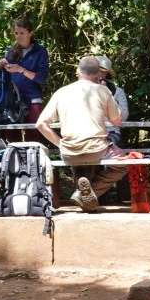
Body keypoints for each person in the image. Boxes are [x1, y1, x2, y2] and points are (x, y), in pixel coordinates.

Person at [36, 56, 123, 212]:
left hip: (69, 152)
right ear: (98, 74)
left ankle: (84, 195)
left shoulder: (62, 92)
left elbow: (40, 124)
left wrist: (60, 144)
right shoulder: (103, 90)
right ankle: (86, 193)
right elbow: (116, 121)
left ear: (77, 72)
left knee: (80, 163)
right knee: (123, 164)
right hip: (97, 150)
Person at [0, 16, 49, 142]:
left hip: (32, 98)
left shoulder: (40, 51)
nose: (18, 36)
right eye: (16, 33)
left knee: (33, 134)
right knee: (12, 135)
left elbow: (40, 79)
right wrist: (0, 66)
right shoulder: (11, 51)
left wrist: (21, 70)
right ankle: (15, 155)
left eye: (22, 33)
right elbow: (1, 76)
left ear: (30, 33)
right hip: (13, 100)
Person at [95, 55, 128, 146]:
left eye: (103, 72)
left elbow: (124, 116)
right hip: (88, 132)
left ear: (107, 75)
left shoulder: (117, 91)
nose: (99, 75)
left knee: (108, 143)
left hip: (111, 132)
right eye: (97, 71)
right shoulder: (83, 90)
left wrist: (108, 95)